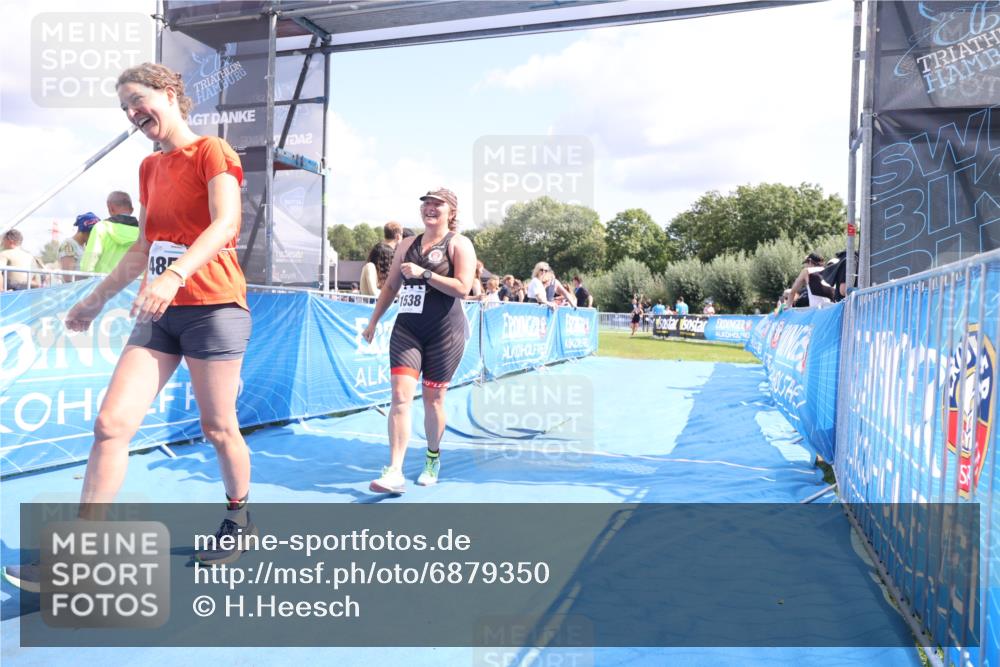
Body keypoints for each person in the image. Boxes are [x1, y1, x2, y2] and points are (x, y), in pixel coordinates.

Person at [2, 62, 254, 593]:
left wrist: (180, 273)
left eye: (139, 100)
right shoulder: (148, 168)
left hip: (213, 308)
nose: (133, 113)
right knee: (111, 425)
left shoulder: (213, 152)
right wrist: (93, 300)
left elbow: (226, 224)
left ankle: (238, 517)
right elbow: (143, 248)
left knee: (218, 429)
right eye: (125, 109)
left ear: (168, 95)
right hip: (157, 313)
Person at [363, 187, 476, 494]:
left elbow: (463, 288)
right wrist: (374, 321)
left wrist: (425, 274)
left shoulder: (459, 244)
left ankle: (432, 457)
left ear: (451, 211)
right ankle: (395, 470)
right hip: (407, 330)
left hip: (445, 333)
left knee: (433, 400)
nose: (429, 208)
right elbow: (389, 288)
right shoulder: (408, 244)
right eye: (426, 203)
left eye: (437, 204)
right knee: (400, 396)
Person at [81, 192, 141, 274]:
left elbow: (87, 266)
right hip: (137, 285)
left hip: (105, 285)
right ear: (132, 209)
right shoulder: (143, 232)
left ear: (110, 209)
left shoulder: (101, 228)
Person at [59, 212, 100, 279]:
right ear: (86, 231)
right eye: (94, 234)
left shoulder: (84, 247)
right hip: (76, 289)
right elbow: (67, 277)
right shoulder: (68, 244)